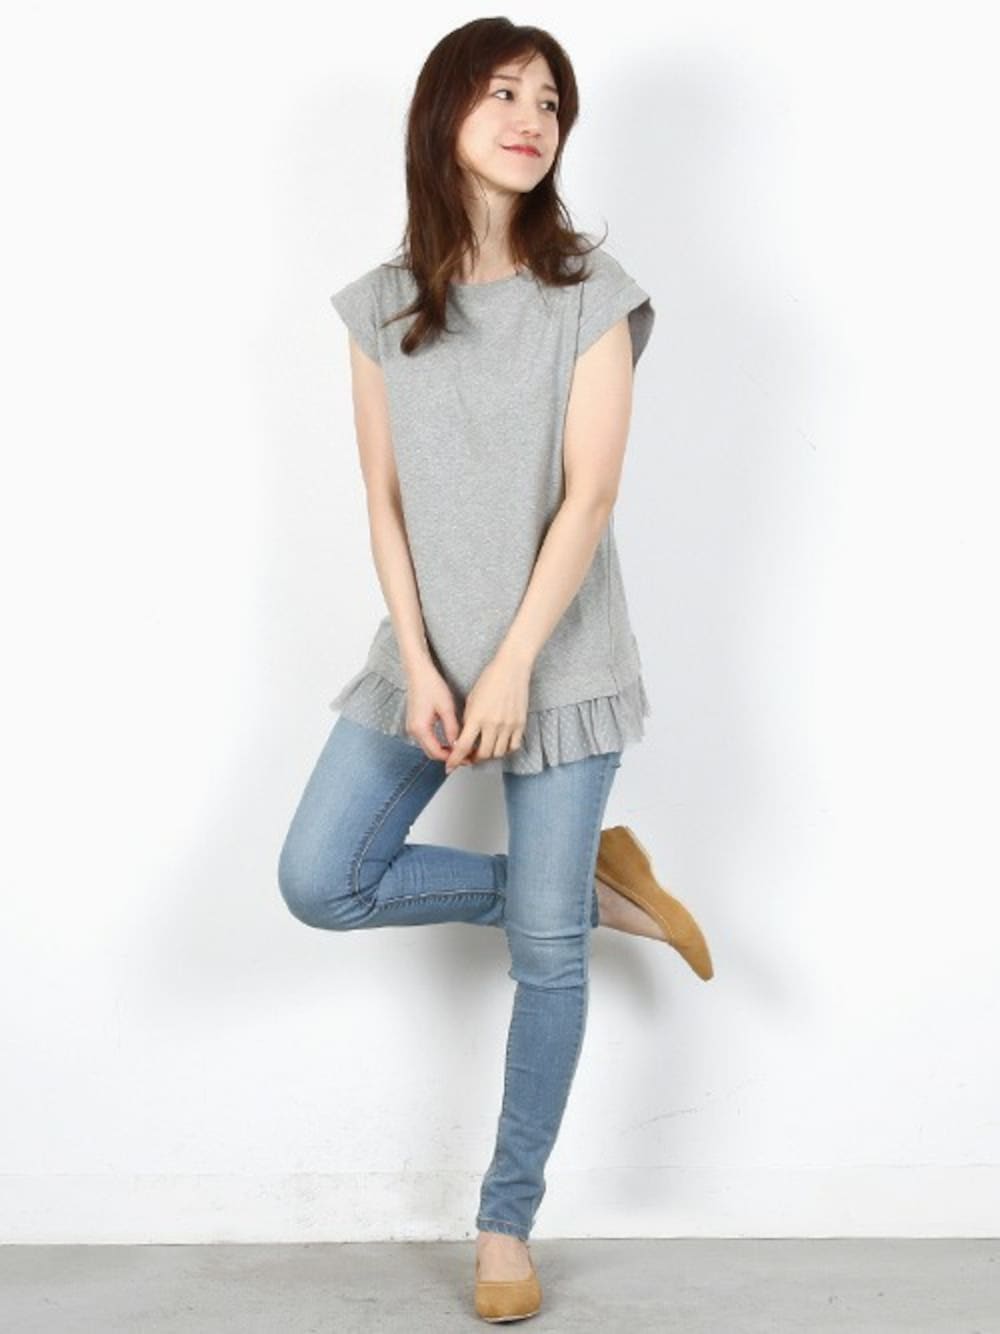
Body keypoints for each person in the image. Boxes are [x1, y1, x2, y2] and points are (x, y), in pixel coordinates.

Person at [278, 19, 714, 1324]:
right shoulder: (378, 305)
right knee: (321, 877)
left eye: (551, 101)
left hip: (561, 665)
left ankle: (505, 1220)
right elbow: (383, 500)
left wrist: (514, 662)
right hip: (422, 659)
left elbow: (589, 498)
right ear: (444, 114)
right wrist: (420, 661)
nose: (532, 118)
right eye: (503, 92)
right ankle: (573, 894)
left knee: (546, 960)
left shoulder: (591, 292)